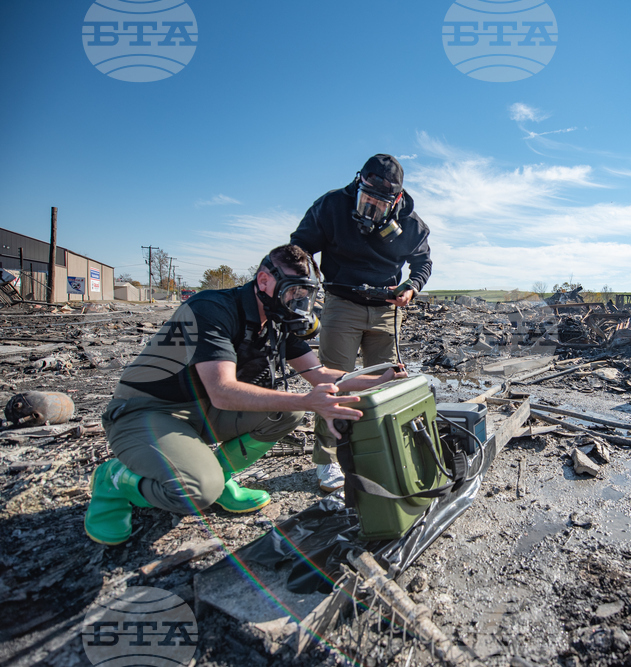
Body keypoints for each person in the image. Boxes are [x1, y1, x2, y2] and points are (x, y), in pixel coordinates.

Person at [84, 244, 406, 546]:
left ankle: (219, 476)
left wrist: (380, 379)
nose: (298, 301)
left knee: (287, 413)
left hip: (202, 411)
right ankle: (114, 481)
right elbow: (223, 392)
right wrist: (307, 402)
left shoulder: (279, 321)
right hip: (148, 411)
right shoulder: (212, 308)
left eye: (305, 294)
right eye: (293, 291)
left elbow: (319, 374)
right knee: (196, 491)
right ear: (264, 281)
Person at [290, 154, 431, 493]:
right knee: (334, 385)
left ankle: (378, 452)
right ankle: (327, 462)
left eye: (380, 202)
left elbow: (423, 262)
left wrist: (411, 288)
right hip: (342, 304)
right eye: (366, 196)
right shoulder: (331, 206)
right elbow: (299, 248)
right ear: (359, 183)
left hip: (387, 309)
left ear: (397, 199)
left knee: (385, 383)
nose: (371, 206)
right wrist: (301, 289)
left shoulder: (412, 225)